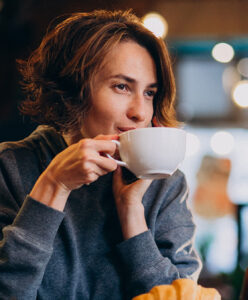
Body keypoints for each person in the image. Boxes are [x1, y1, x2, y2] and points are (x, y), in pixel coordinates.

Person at [0, 9, 201, 299]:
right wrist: (53, 186)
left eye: (149, 93)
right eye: (122, 86)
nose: (141, 112)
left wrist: (132, 214)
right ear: (72, 91)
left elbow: (182, 295)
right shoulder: (11, 168)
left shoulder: (164, 184)